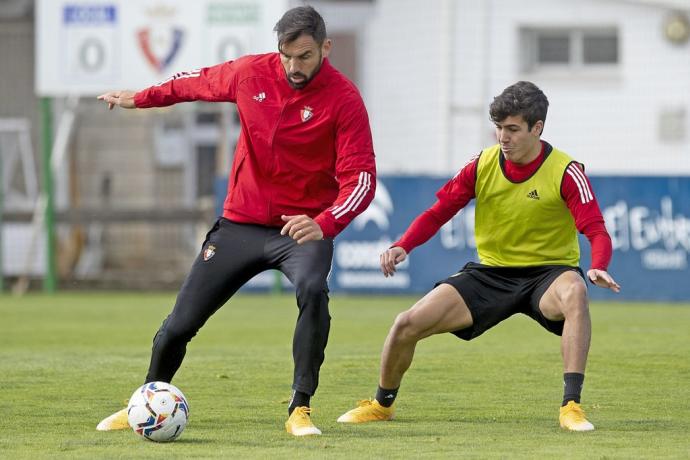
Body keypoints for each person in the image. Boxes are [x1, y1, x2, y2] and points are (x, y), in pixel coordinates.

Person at [95, 6, 376, 437]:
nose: (293, 66)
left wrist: (325, 222)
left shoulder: (344, 99)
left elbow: (361, 179)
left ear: (325, 48)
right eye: (286, 55)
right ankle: (146, 399)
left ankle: (299, 408)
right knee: (180, 324)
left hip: (301, 228)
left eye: (303, 56)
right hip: (240, 225)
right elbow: (194, 82)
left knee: (313, 290)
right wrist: (143, 97)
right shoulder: (250, 74)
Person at [337, 81, 619, 432]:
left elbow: (595, 229)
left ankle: (571, 406)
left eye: (513, 129)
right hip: (492, 274)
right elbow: (439, 211)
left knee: (575, 291)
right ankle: (381, 404)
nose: (503, 137)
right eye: (499, 128)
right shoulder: (482, 164)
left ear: (537, 128)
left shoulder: (566, 170)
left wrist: (597, 267)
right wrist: (402, 245)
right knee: (405, 324)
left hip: (549, 274)